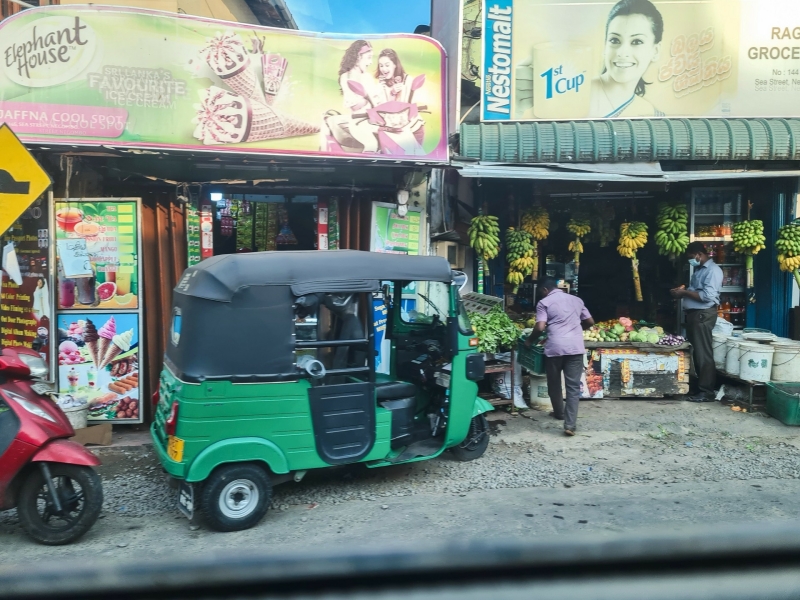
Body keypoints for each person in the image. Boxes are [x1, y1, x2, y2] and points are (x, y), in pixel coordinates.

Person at [525, 278, 594, 436]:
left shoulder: (544, 302)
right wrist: (575, 329)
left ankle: (559, 413)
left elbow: (540, 326)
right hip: (575, 348)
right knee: (573, 387)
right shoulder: (577, 300)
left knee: (554, 383)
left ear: (544, 290)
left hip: (555, 348)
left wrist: (530, 341)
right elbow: (590, 321)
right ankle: (570, 425)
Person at [588, 0, 665, 118]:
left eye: (636, 41)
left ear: (655, 51)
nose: (622, 52)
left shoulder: (655, 117)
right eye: (614, 40)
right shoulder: (576, 95)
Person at [671, 242, 723, 402]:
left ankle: (706, 391)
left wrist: (684, 292)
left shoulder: (713, 271)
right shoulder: (700, 271)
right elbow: (697, 291)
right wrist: (683, 292)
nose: (690, 260)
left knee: (703, 353)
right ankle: (699, 387)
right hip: (695, 315)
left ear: (699, 254)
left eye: (691, 257)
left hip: (703, 315)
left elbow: (707, 296)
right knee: (697, 353)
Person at [338, 40, 379, 112]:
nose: (371, 62)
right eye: (369, 57)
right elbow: (354, 106)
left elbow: (377, 100)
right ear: (358, 57)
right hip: (358, 119)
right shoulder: (346, 77)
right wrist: (369, 98)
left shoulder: (368, 77)